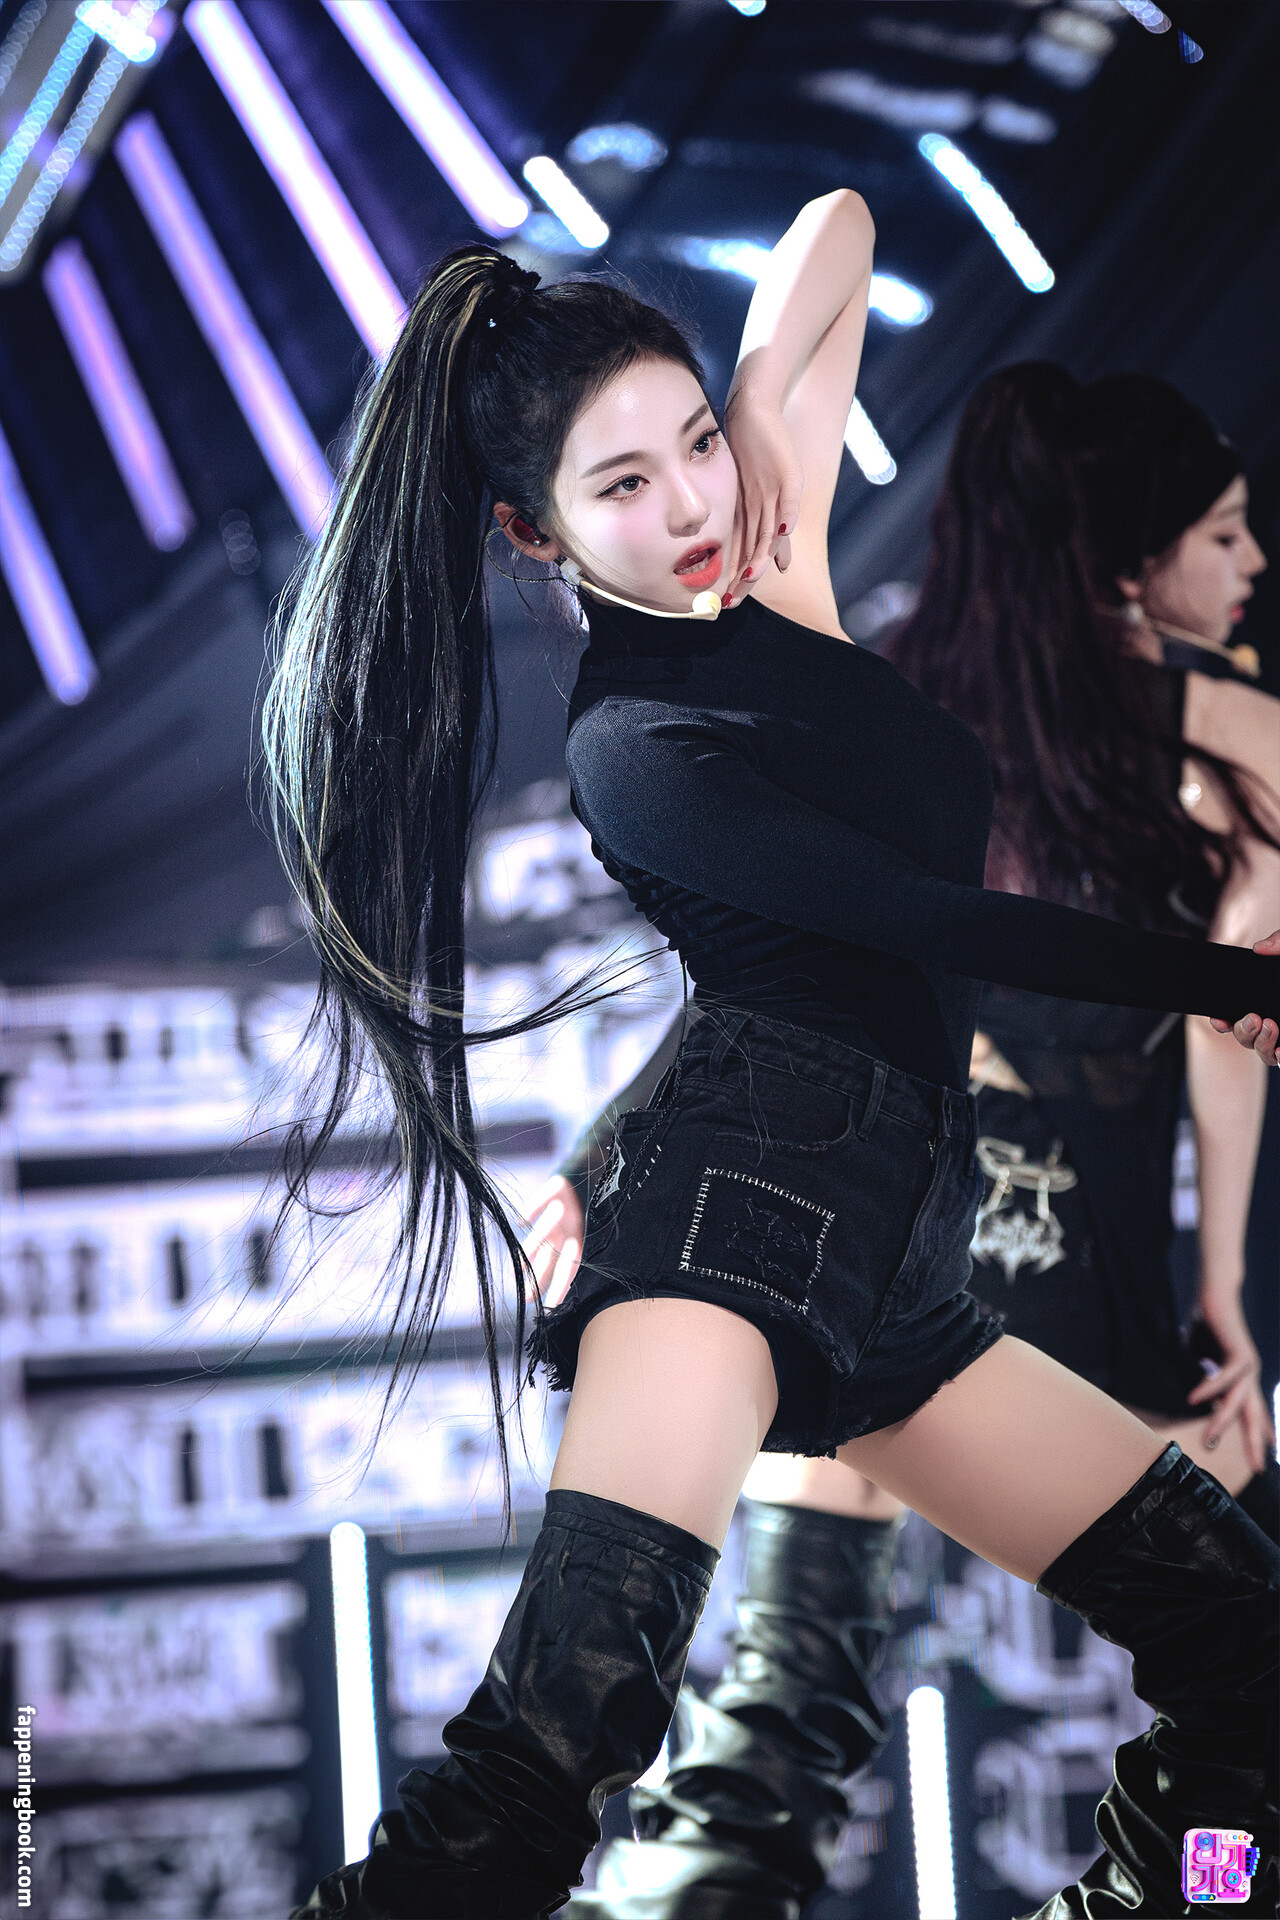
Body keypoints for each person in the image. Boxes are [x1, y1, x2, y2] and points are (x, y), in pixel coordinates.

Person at [263, 192, 1279, 1920]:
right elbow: (923, 921)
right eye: (622, 486)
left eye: (691, 446)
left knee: (1248, 1643)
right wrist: (1223, 977)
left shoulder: (772, 559)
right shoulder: (636, 740)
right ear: (532, 534)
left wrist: (741, 440)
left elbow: (836, 232)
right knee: (543, 1763)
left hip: (900, 1266)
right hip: (728, 1241)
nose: (688, 507)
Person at [524, 366, 1280, 1919]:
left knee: (777, 1718)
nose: (1254, 561)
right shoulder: (1238, 737)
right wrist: (1220, 1289)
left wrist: (606, 1157)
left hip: (867, 1230)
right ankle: (1207, 1901)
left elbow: (781, 980)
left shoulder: (888, 687)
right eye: (1222, 531)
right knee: (1250, 1695)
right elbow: (1223, 1044)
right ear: (1124, 556)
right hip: (1066, 1264)